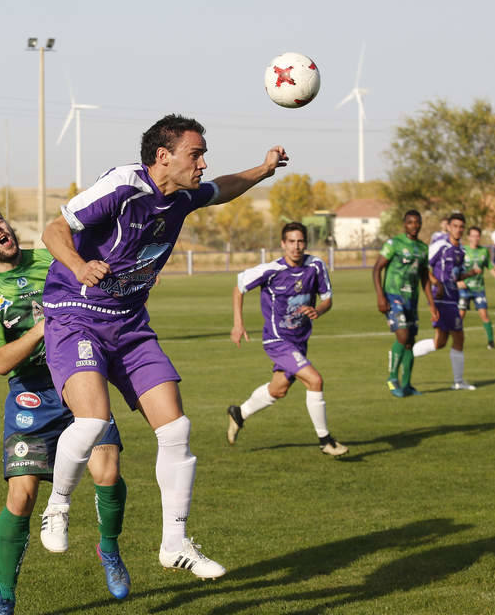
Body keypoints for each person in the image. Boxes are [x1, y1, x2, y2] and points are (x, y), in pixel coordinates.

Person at [39, 113, 289, 579]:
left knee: (176, 429)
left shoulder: (183, 196)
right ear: (163, 156)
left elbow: (222, 189)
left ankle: (175, 543)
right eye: (196, 154)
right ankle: (57, 505)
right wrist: (78, 266)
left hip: (130, 325)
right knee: (92, 421)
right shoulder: (123, 185)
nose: (203, 163)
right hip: (77, 316)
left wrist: (263, 169)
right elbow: (55, 229)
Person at [0, 203, 130, 615]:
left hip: (77, 374)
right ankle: (4, 599)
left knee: (108, 471)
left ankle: (108, 549)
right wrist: (42, 326)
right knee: (21, 497)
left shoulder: (52, 258)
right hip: (30, 393)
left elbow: (96, 282)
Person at [226, 222, 347, 455]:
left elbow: (327, 299)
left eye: (300, 241)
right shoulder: (271, 270)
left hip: (300, 340)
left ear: (306, 243)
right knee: (315, 381)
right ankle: (326, 441)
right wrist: (238, 324)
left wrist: (318, 310)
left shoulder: (316, 266)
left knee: (278, 389)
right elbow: (239, 288)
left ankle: (239, 413)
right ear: (283, 244)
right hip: (277, 340)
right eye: (291, 242)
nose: (296, 247)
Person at [372, 210, 439, 397]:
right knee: (402, 336)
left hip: (412, 299)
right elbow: (377, 269)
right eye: (410, 222)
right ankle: (392, 378)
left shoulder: (423, 248)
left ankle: (407, 385)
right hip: (393, 296)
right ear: (405, 224)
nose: (414, 225)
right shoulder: (394, 243)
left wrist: (431, 304)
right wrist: (380, 296)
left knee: (410, 342)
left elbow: (424, 277)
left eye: (417, 222)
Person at [412, 212, 477, 390]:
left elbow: (455, 276)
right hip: (440, 300)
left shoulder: (460, 251)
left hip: (453, 299)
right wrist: (436, 283)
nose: (458, 229)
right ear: (448, 227)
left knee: (441, 342)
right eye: (455, 226)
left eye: (461, 227)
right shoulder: (440, 246)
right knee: (456, 337)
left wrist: (469, 274)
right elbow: (423, 265)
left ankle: (404, 353)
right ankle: (458, 382)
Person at [459, 226, 495, 349]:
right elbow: (455, 269)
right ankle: (457, 341)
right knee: (460, 316)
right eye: (473, 236)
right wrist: (459, 281)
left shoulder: (484, 251)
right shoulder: (463, 251)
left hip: (478, 289)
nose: (475, 238)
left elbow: (489, 266)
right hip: (464, 289)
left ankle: (491, 341)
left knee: (484, 315)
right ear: (468, 237)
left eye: (477, 236)